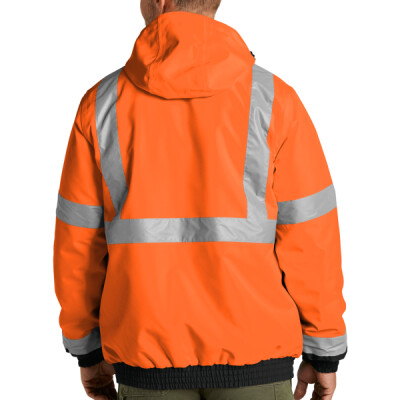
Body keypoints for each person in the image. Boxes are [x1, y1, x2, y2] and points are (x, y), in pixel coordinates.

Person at [53, 1, 347, 399]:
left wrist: (87, 349)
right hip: (256, 353)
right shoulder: (275, 100)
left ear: (159, 1)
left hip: (146, 357)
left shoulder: (101, 105)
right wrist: (323, 349)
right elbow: (311, 237)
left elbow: (78, 244)